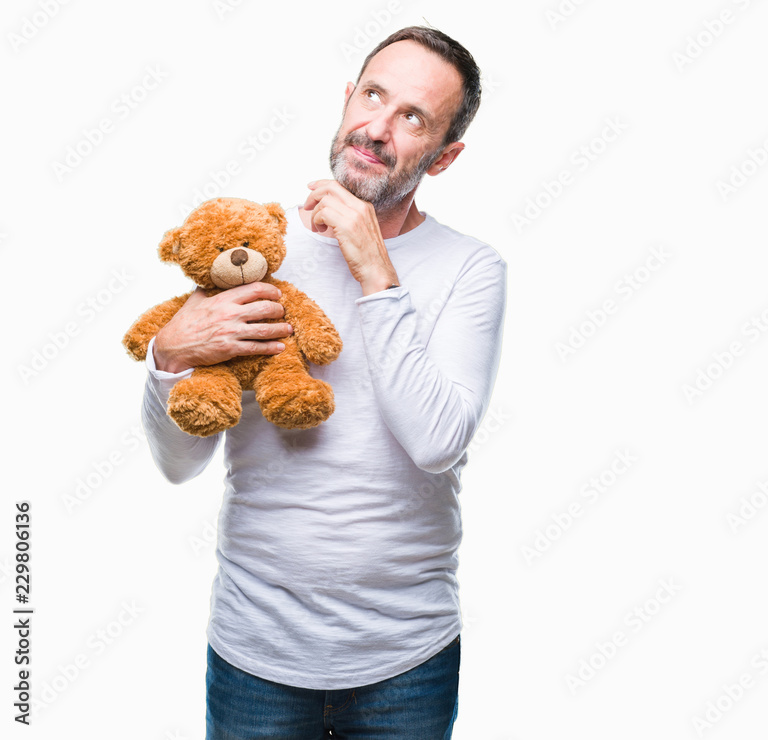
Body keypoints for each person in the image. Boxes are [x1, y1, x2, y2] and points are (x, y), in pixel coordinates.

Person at [139, 26, 506, 739]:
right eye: (373, 96)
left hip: (407, 659)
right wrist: (169, 356)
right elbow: (179, 465)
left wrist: (375, 271)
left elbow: (437, 443)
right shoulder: (252, 249)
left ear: (445, 155)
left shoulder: (471, 268)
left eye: (413, 117)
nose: (378, 128)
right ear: (346, 99)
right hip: (254, 651)